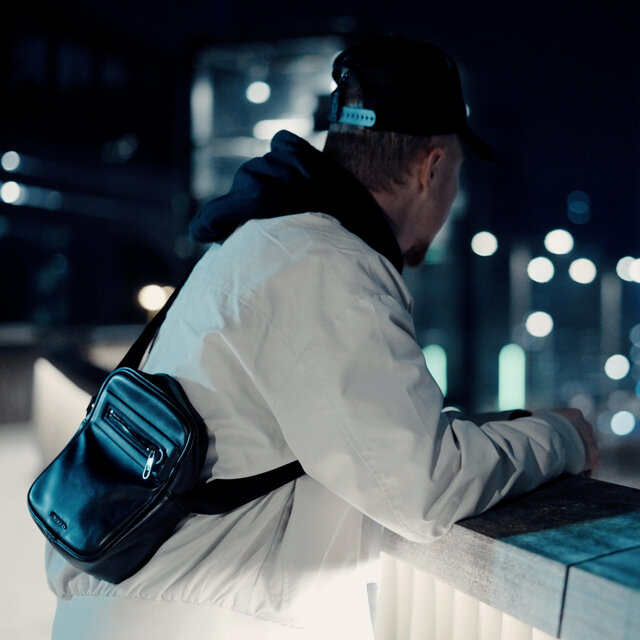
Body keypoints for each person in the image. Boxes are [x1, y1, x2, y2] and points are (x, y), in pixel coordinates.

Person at [47, 34, 599, 639]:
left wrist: (495, 428)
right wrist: (562, 438)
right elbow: (422, 487)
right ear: (433, 167)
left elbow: (367, 441)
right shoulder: (328, 268)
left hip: (151, 611)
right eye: (457, 176)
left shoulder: (265, 242)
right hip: (196, 622)